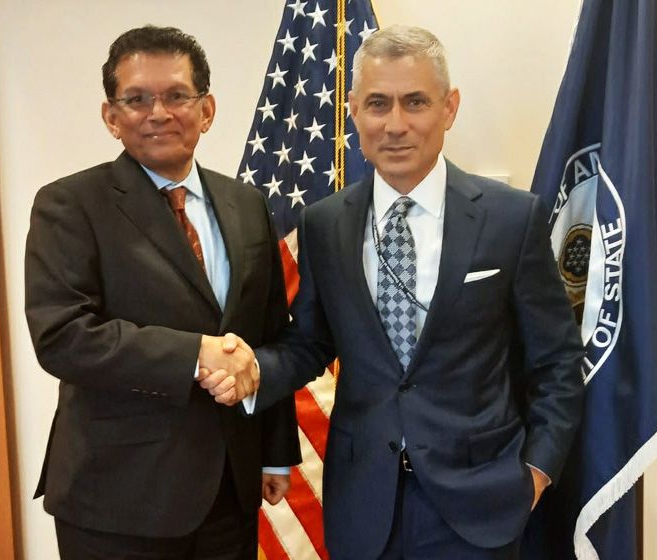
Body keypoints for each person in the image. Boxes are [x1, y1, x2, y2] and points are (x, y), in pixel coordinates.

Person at [199, 25, 584, 560]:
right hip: (364, 504)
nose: (396, 124)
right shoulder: (323, 224)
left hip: (481, 505)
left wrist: (537, 470)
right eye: (378, 103)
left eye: (416, 102)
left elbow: (557, 361)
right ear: (354, 110)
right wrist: (255, 369)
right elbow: (312, 342)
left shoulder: (511, 219)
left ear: (449, 108)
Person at [25, 25, 299, 559]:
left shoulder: (247, 203)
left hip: (230, 492)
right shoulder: (70, 205)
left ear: (207, 110)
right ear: (111, 117)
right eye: (136, 99)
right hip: (117, 499)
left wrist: (274, 451)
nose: (158, 113)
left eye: (177, 95)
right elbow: (62, 337)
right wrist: (194, 355)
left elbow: (269, 333)